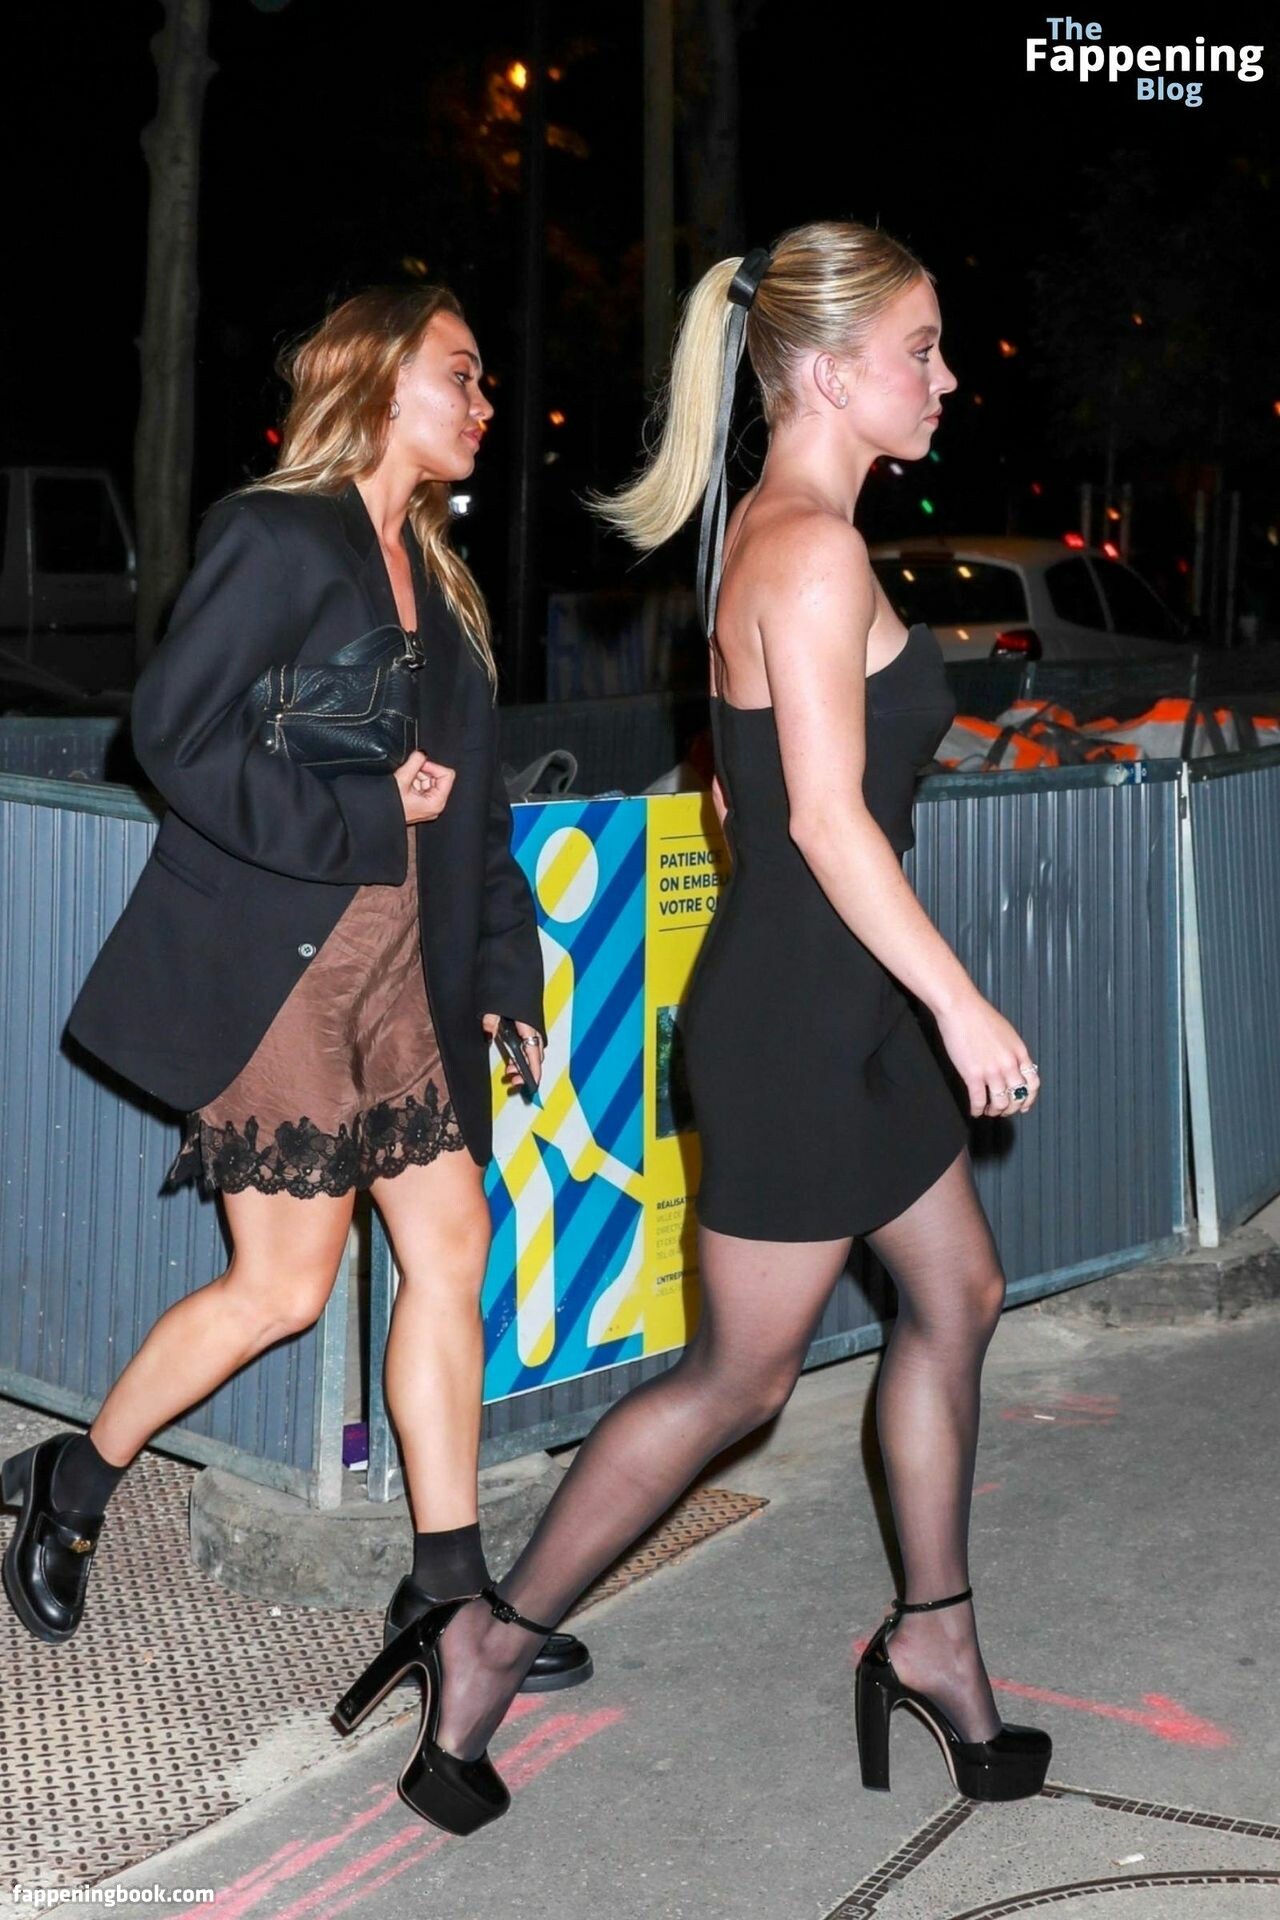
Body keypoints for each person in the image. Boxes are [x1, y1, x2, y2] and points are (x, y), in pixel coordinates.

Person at [331, 222, 1051, 1833]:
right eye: (922, 348)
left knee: (960, 1292)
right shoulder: (810, 552)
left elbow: (742, 796)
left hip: (839, 1011)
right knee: (738, 1380)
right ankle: (485, 1645)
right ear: (829, 371)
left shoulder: (789, 541)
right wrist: (960, 1002)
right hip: (807, 1029)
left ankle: (934, 1638)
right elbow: (825, 824)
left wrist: (878, 982)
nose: (945, 378)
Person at [0, 285, 591, 1698]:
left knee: (452, 1253)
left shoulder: (441, 582)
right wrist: (366, 812)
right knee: (283, 1288)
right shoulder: (277, 535)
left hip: (414, 976)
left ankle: (447, 1590)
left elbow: (477, 814)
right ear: (383, 382)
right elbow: (173, 734)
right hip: (290, 973)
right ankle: (74, 1482)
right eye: (462, 374)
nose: (485, 403)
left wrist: (504, 971)